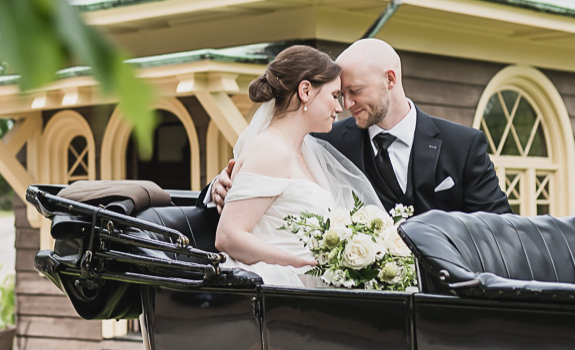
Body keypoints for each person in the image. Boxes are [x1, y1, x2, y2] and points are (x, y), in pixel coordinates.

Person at [210, 38, 511, 216]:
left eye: (356, 91)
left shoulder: (464, 145)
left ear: (390, 80)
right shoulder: (327, 143)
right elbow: (260, 170)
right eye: (341, 95)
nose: (347, 104)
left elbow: (500, 225)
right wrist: (217, 188)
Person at [215, 45, 384, 287]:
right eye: (334, 95)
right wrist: (300, 264)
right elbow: (228, 236)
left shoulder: (304, 150)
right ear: (305, 90)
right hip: (282, 285)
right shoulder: (270, 149)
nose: (340, 107)